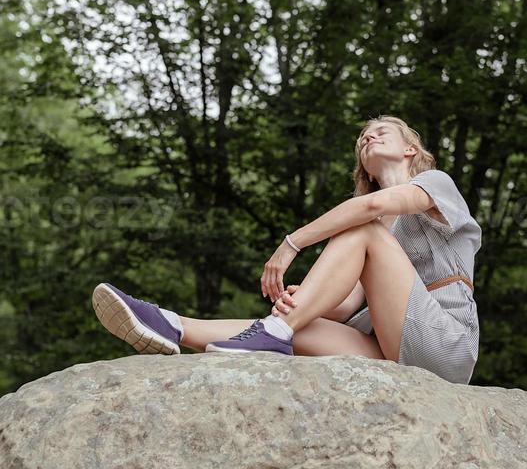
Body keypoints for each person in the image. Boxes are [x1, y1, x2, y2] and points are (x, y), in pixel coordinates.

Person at [92, 115, 482, 384]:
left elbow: (372, 205)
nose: (368, 137)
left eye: (381, 131)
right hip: (391, 347)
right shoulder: (376, 231)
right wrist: (305, 301)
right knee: (301, 324)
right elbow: (346, 308)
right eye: (363, 137)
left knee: (358, 228)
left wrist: (291, 243)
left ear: (410, 149)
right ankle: (171, 325)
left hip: (445, 344)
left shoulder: (435, 184)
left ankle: (274, 332)